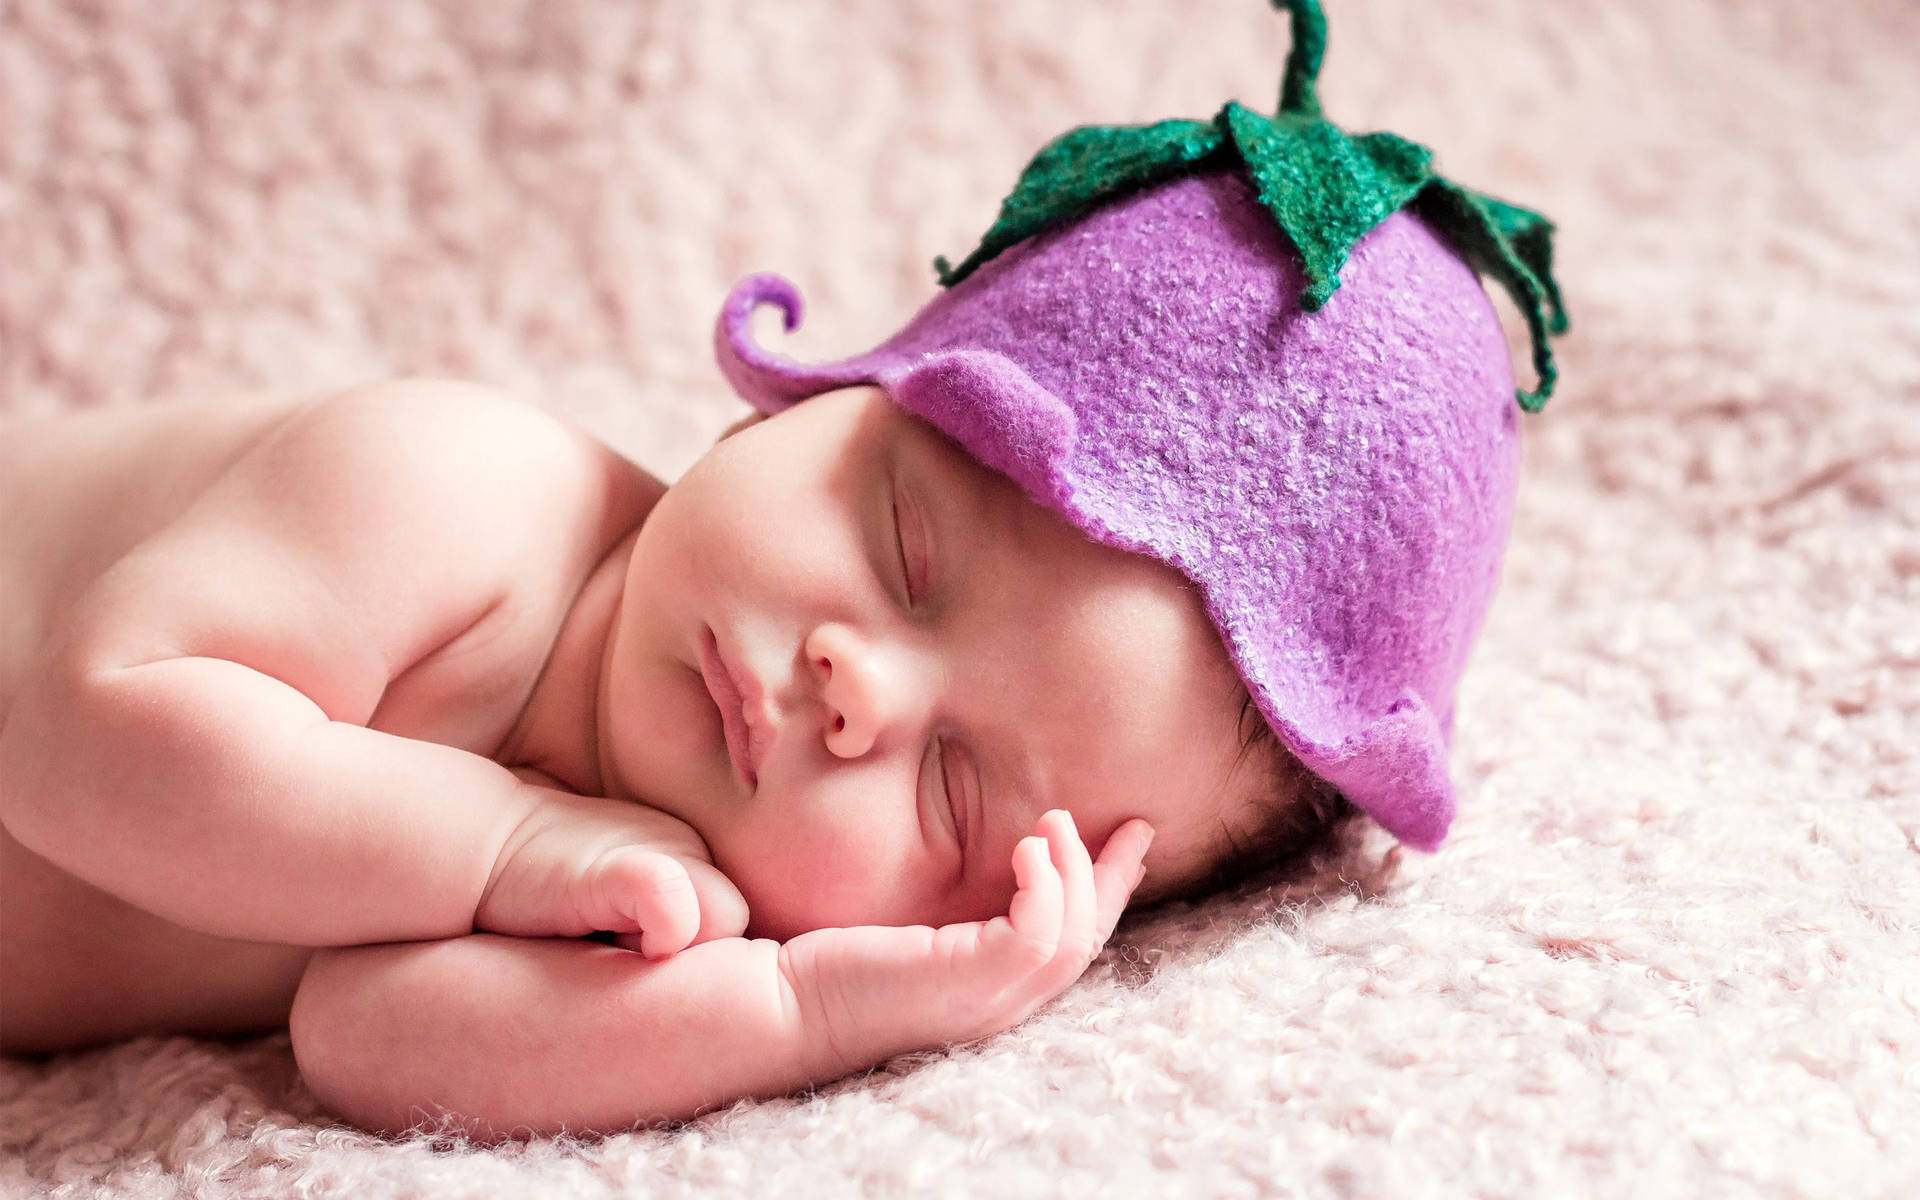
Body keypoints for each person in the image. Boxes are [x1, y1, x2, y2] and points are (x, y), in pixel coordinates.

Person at [0, 0, 1565, 1139]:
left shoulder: (674, 870)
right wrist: (510, 851)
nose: (853, 690)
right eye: (908, 548)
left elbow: (368, 1037)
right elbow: (75, 738)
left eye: (956, 795)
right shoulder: (453, 490)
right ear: (835, 403)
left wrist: (822, 1008)